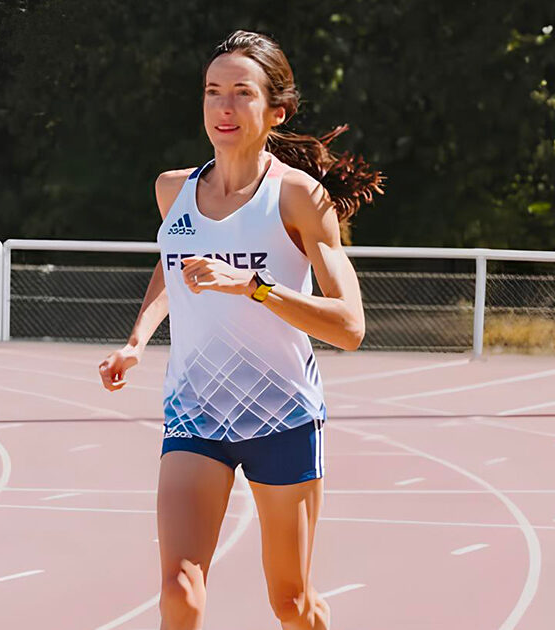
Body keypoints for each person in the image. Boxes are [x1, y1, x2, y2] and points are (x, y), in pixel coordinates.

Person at [97, 30, 383, 630]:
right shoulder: (172, 190)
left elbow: (351, 326)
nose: (223, 107)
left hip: (283, 418)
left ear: (275, 111)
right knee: (179, 590)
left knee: (292, 605)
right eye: (212, 92)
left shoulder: (301, 198)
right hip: (194, 413)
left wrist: (250, 286)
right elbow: (171, 265)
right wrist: (137, 340)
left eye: (241, 93)